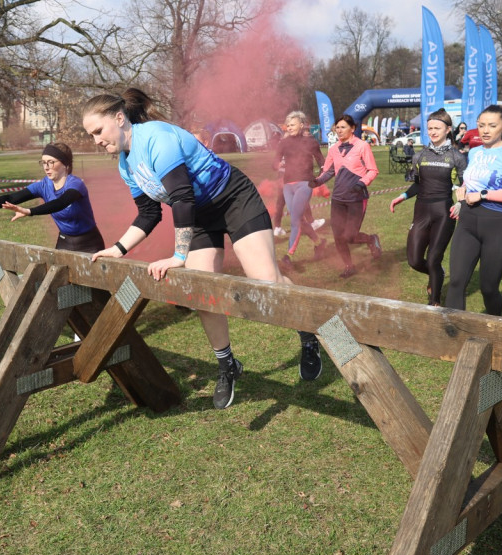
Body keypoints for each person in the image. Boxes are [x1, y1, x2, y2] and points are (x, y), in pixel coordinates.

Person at [81, 89, 324, 410]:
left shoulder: (155, 139)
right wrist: (118, 248)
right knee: (201, 287)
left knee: (266, 281)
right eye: (90, 135)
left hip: (234, 199)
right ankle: (228, 365)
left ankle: (310, 335)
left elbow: (181, 198)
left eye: (98, 131)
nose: (96, 140)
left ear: (119, 117)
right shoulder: (126, 164)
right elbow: (150, 213)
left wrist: (179, 256)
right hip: (200, 215)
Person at [445, 105, 502, 315]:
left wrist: (483, 195)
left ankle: (494, 329)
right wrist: (462, 190)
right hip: (468, 222)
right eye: (481, 125)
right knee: (456, 282)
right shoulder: (474, 153)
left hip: (498, 225)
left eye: (492, 125)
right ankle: (453, 337)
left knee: (488, 288)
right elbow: (471, 181)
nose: (485, 130)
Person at [0, 143, 105, 253]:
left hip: (89, 243)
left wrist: (29, 211)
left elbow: (60, 203)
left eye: (51, 162)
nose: (46, 167)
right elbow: (12, 197)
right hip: (65, 242)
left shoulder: (76, 184)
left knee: (97, 293)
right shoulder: (43, 185)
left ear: (65, 163)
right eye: (44, 163)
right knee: (63, 291)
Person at [390, 108, 466, 306]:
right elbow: (418, 183)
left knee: (433, 259)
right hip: (421, 211)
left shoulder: (456, 156)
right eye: (430, 128)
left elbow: (466, 185)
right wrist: (403, 195)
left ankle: (435, 302)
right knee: (414, 260)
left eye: (437, 128)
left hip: (443, 212)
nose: (432, 132)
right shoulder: (420, 156)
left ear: (448, 129)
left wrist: (460, 204)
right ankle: (438, 274)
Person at [309, 115, 381, 279]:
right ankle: (349, 266)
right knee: (338, 236)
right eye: (337, 127)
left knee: (350, 236)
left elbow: (373, 170)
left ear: (352, 128)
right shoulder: (334, 149)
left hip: (357, 198)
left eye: (342, 127)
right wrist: (317, 181)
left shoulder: (362, 146)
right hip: (338, 199)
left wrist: (361, 183)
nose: (339, 130)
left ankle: (371, 239)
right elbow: (328, 171)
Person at [276, 111, 328, 268]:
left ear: (301, 124)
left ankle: (288, 256)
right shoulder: (283, 143)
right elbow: (275, 162)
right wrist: (277, 165)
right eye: (288, 125)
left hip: (304, 184)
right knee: (298, 219)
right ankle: (319, 243)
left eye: (292, 124)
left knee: (294, 221)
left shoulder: (310, 141)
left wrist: (318, 179)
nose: (289, 127)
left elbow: (322, 162)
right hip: (288, 185)